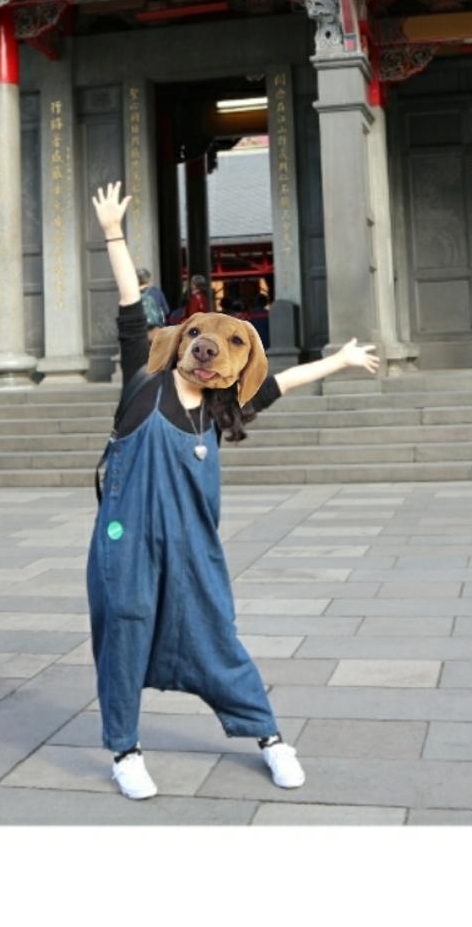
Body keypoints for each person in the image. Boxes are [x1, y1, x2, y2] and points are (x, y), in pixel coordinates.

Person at [89, 181, 379, 801]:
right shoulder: (144, 380)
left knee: (214, 634)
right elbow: (131, 303)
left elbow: (286, 382)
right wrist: (113, 233)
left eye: (218, 347)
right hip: (127, 539)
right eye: (197, 339)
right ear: (181, 342)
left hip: (193, 547)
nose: (204, 351)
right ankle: (125, 751)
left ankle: (270, 737)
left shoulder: (221, 410)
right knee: (124, 631)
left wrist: (340, 359)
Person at [136, 267, 169, 332]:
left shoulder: (132, 295)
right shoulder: (156, 291)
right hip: (157, 329)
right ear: (148, 279)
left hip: (141, 331)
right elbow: (166, 311)